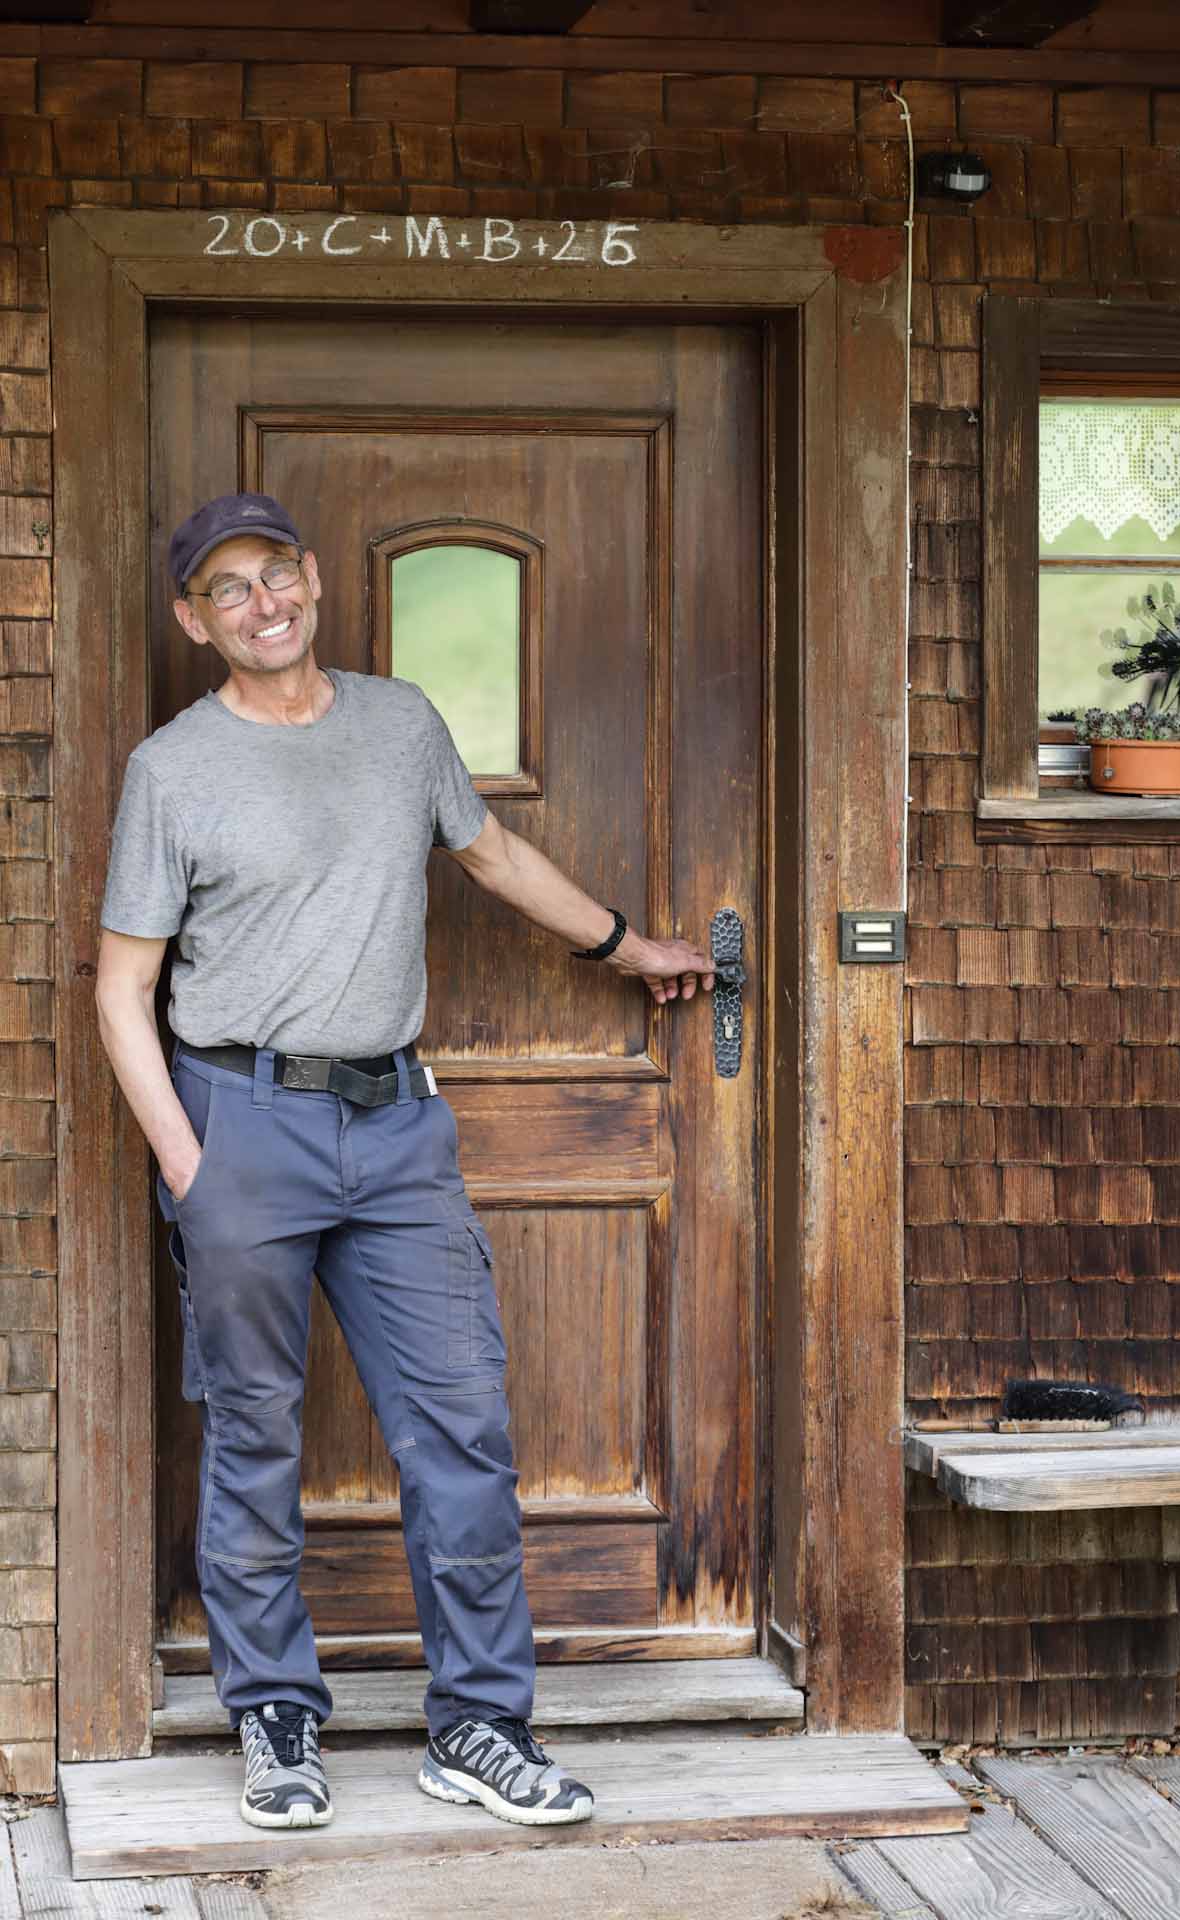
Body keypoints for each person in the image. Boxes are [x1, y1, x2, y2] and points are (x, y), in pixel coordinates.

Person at [95, 493, 715, 1834]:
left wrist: (629, 947)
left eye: (278, 574)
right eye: (229, 590)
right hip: (238, 1118)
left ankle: (480, 1726)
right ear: (193, 620)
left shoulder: (400, 725)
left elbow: (491, 855)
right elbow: (121, 986)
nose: (264, 603)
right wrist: (191, 1163)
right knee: (255, 1431)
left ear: (313, 581)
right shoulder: (173, 770)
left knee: (461, 1433)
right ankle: (275, 1718)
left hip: (395, 1131)